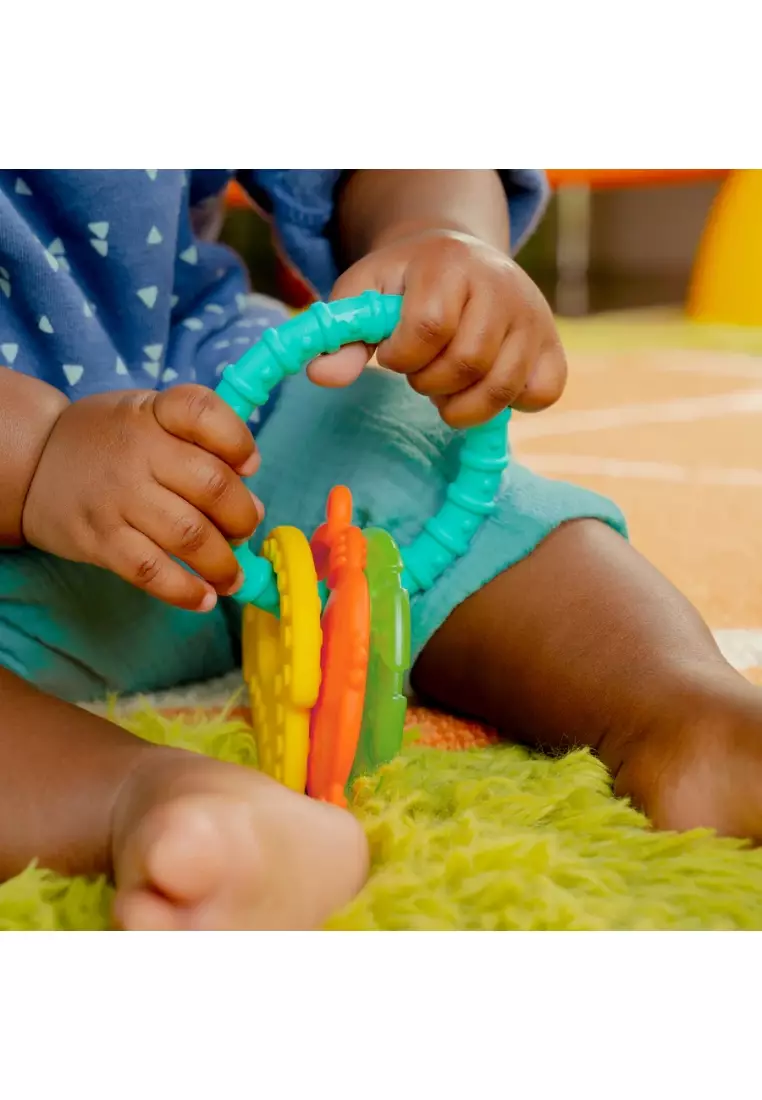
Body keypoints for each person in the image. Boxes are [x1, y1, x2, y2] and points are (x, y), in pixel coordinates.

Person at [1, 169, 759, 931]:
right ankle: (152, 803)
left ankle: (693, 715)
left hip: (223, 409)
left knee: (398, 448)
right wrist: (35, 454)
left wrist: (438, 235)